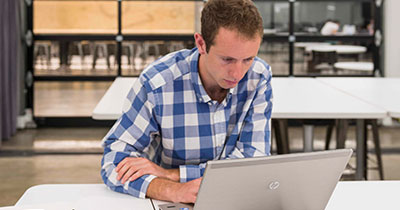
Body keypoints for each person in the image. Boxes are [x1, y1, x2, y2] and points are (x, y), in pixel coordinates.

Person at [101, 0, 273, 204]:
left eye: (248, 59)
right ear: (201, 44)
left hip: (233, 199)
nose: (237, 73)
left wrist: (171, 175)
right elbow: (113, 161)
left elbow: (253, 160)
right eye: (227, 59)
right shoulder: (158, 83)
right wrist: (172, 190)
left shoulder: (258, 76)